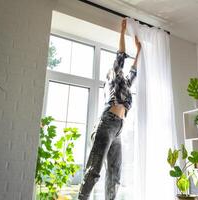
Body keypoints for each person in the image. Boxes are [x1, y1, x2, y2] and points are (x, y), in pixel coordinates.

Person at [78, 19, 141, 200]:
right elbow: (120, 56)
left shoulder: (126, 84)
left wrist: (138, 51)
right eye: (116, 70)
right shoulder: (113, 77)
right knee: (94, 170)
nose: (119, 71)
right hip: (106, 124)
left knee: (115, 173)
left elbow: (133, 72)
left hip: (119, 128)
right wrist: (122, 31)